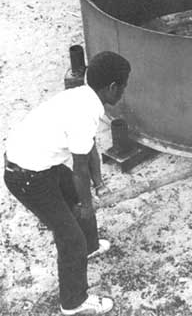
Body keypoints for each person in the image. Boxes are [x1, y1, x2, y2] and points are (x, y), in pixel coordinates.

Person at [4, 51, 131, 315]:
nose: (124, 91)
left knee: (76, 197)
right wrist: (87, 203)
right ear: (112, 87)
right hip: (25, 176)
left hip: (39, 163)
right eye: (124, 86)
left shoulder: (85, 98)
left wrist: (99, 184)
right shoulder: (84, 112)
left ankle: (90, 247)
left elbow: (89, 146)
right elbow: (79, 169)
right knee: (70, 238)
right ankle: (73, 302)